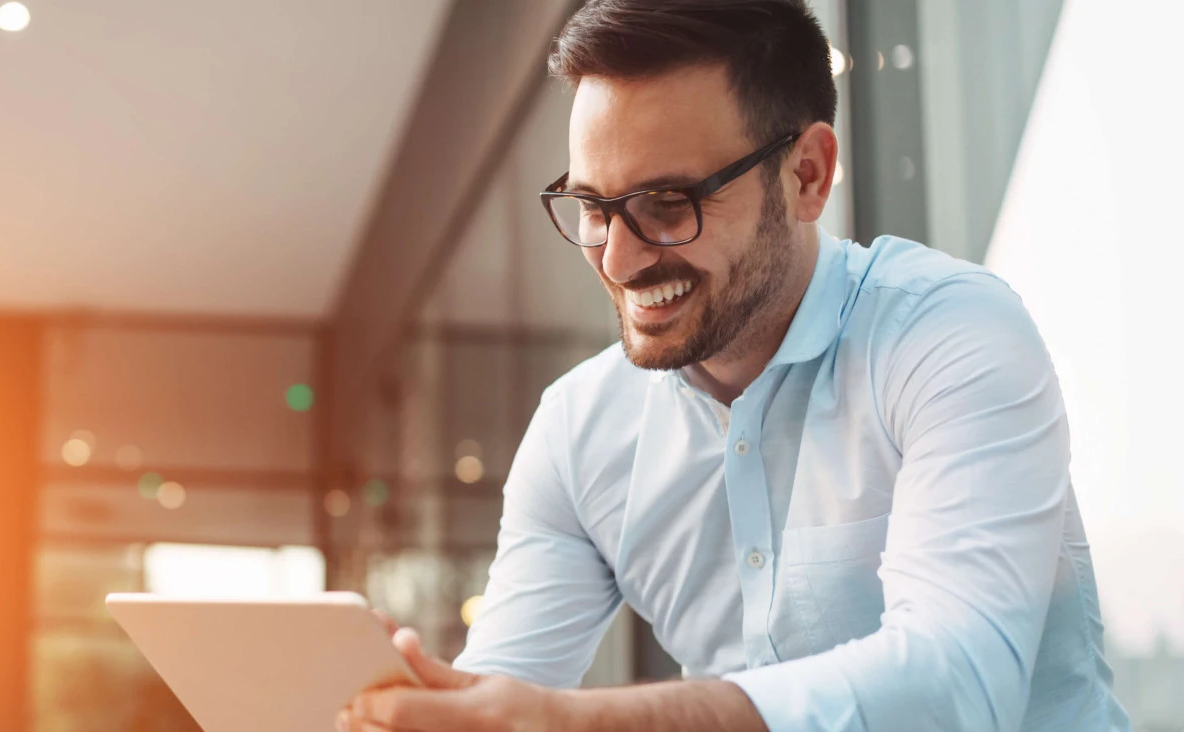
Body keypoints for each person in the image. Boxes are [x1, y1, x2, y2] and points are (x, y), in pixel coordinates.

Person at [337, 1, 1131, 730]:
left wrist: (574, 724)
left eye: (668, 203)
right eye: (593, 207)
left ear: (807, 176)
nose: (617, 258)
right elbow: (501, 700)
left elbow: (957, 681)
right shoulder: (580, 433)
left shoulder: (948, 334)